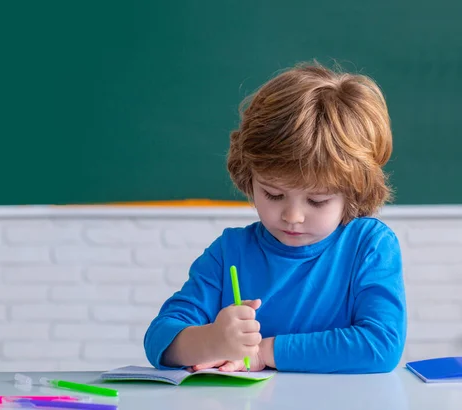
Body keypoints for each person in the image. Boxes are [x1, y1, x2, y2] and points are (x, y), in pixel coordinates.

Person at [143, 61, 407, 374]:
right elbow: (159, 338)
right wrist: (210, 339)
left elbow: (381, 346)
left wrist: (265, 351)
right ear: (249, 177)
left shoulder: (369, 246)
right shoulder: (230, 251)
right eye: (273, 195)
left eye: (317, 200)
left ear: (354, 192)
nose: (293, 216)